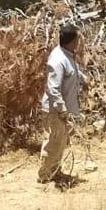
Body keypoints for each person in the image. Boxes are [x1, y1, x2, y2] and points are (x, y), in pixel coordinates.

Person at [38, 23, 87, 184]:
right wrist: (62, 109)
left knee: (59, 143)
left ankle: (55, 173)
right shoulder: (58, 59)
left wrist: (83, 79)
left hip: (62, 110)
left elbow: (72, 71)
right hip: (54, 110)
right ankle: (45, 176)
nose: (80, 42)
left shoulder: (67, 54)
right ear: (72, 41)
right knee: (52, 142)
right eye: (78, 39)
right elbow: (53, 88)